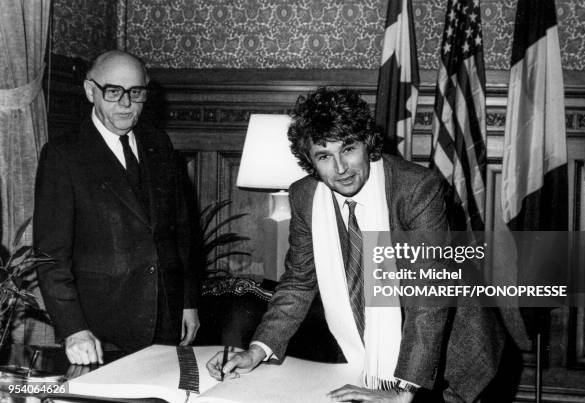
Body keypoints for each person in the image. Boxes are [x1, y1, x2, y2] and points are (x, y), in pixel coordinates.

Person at [206, 88, 505, 402]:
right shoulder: (305, 197)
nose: (340, 168)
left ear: (367, 143)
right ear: (310, 160)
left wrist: (402, 393)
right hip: (362, 356)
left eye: (348, 149)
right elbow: (298, 282)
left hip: (451, 353)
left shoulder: (416, 188)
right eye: (324, 156)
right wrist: (256, 351)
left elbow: (427, 295)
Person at [34, 50, 200, 365]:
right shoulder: (63, 155)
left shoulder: (159, 143)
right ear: (90, 91)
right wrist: (73, 329)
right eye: (113, 92)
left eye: (135, 93)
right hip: (99, 332)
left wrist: (187, 302)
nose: (126, 103)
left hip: (165, 321)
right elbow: (50, 256)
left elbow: (182, 232)